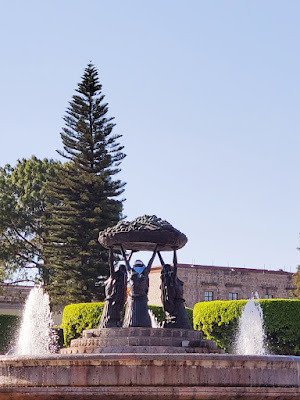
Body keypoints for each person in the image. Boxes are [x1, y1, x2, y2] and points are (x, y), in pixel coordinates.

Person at [121, 246, 158, 327]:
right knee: (131, 320)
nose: (138, 267)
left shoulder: (145, 272)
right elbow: (126, 261)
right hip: (133, 299)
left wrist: (155, 251)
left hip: (142, 299)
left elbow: (150, 261)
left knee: (144, 321)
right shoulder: (132, 271)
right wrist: (123, 250)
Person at [159, 249, 192, 329]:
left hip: (178, 308)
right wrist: (158, 252)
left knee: (182, 327)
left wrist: (174, 251)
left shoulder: (173, 281)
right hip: (176, 308)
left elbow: (175, 264)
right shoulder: (171, 282)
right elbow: (167, 265)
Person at [99, 248, 127, 328]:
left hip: (117, 304)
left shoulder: (121, 284)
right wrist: (111, 250)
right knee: (109, 322)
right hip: (111, 304)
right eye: (122, 271)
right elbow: (110, 262)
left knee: (117, 320)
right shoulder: (113, 277)